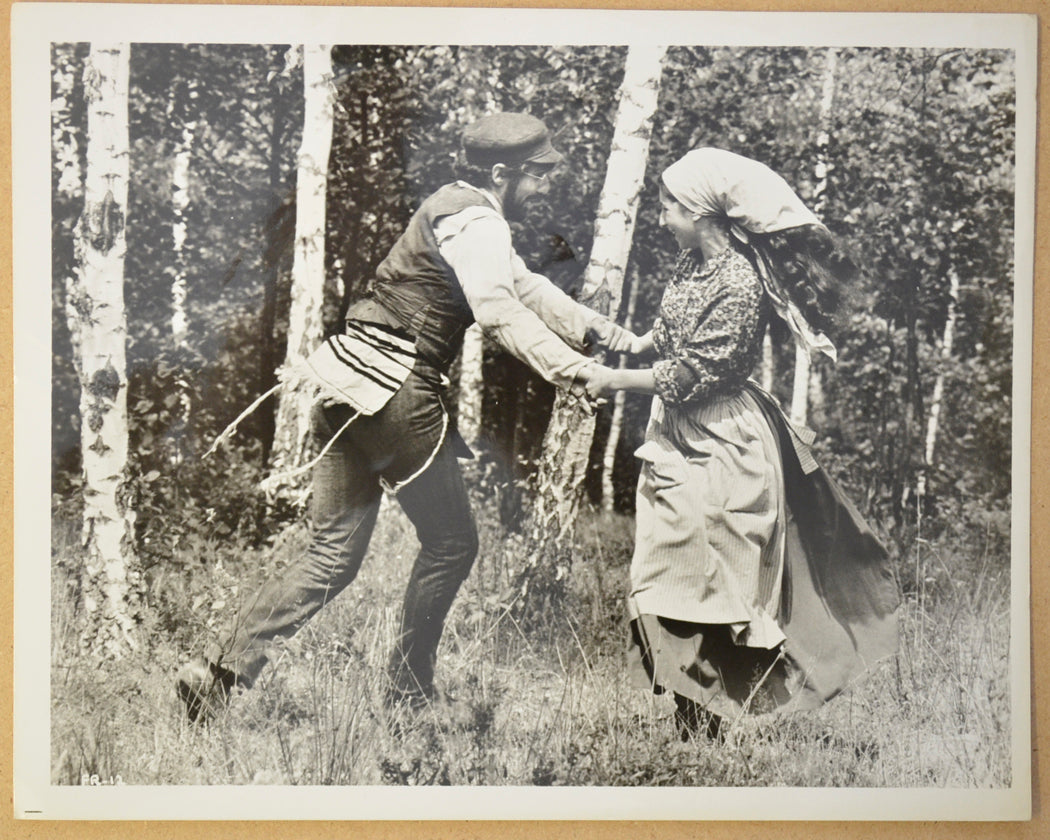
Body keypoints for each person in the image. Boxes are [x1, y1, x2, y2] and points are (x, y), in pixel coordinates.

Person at [177, 112, 636, 722]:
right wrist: (577, 373)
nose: (547, 186)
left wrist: (619, 339)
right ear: (501, 173)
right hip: (397, 389)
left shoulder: (455, 211)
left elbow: (526, 288)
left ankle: (216, 672)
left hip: (345, 381)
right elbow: (499, 312)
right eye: (540, 174)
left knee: (331, 554)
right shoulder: (478, 223)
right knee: (451, 545)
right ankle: (407, 693)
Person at [585, 148, 899, 741]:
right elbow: (671, 334)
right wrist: (619, 340)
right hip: (676, 436)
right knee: (664, 571)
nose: (661, 218)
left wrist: (611, 379)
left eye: (669, 207)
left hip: (723, 443)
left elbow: (692, 370)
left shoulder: (738, 281)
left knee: (713, 581)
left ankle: (708, 726)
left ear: (702, 213)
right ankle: (694, 719)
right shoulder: (691, 265)